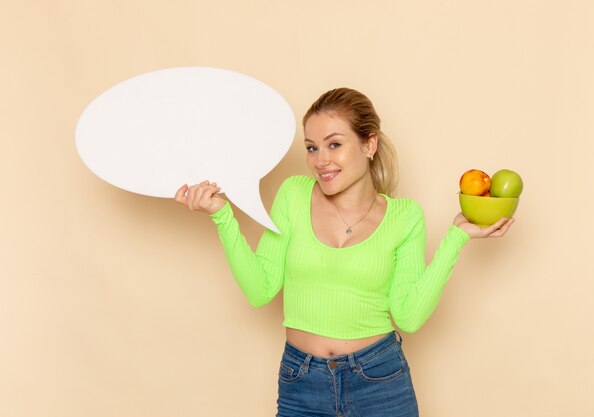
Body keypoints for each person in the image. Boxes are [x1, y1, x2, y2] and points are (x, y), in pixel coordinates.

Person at [174, 88, 515, 417]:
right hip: (301, 381)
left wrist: (455, 238)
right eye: (311, 148)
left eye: (334, 144)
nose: (320, 161)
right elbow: (260, 288)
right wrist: (222, 216)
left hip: (380, 381)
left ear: (370, 144)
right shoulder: (293, 195)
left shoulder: (404, 216)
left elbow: (409, 315)